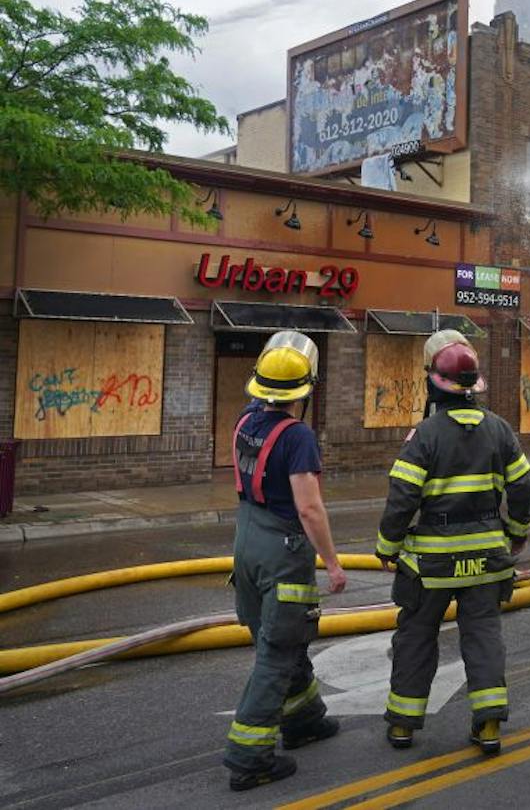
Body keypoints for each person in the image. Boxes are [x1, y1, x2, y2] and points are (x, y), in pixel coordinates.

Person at [377, 330, 530, 754]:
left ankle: (403, 726)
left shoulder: (425, 436)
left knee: (415, 636)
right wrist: (516, 535)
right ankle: (488, 727)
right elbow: (523, 487)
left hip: (431, 566)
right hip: (486, 559)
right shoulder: (500, 431)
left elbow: (402, 497)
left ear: (433, 381)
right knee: (483, 635)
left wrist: (387, 547)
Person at [223, 331, 346, 792]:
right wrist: (332, 563)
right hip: (283, 551)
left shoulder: (244, 421)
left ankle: (305, 720)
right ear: (306, 390)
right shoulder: (297, 437)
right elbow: (310, 508)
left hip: (247, 541)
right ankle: (248, 757)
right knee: (277, 652)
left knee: (280, 638)